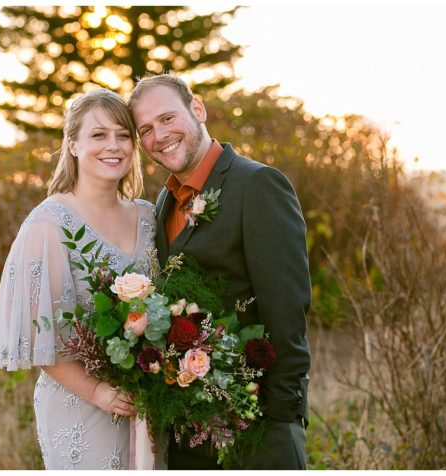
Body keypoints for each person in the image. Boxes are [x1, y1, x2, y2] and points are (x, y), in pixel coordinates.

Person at [129, 74, 311, 469]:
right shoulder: (163, 201)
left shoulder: (258, 184)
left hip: (258, 427)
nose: (159, 136)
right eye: (145, 129)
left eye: (167, 118)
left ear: (197, 110)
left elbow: (287, 311)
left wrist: (276, 417)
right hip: (188, 433)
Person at [0, 89, 156, 470]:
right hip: (81, 405)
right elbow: (39, 336)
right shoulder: (49, 224)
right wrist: (98, 391)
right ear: (73, 145)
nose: (113, 145)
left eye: (123, 135)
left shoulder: (148, 217)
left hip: (149, 404)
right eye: (98, 135)